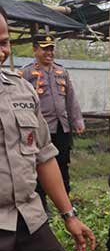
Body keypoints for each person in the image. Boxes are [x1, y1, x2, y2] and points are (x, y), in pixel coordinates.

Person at [0, 7, 96, 251]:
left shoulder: (21, 89)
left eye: (4, 41)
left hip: (29, 217)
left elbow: (43, 156)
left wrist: (69, 215)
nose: (1, 51)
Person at [19, 35, 84, 211]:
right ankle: (42, 203)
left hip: (61, 127)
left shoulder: (62, 72)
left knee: (63, 163)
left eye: (51, 49)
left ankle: (66, 202)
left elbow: (71, 98)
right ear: (35, 49)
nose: (49, 52)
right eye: (45, 48)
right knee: (39, 165)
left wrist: (77, 120)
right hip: (40, 129)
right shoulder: (25, 73)